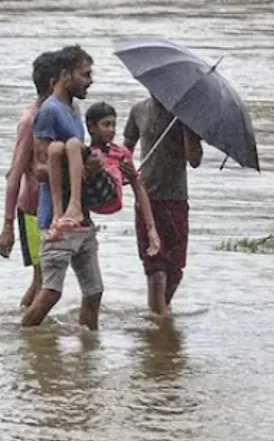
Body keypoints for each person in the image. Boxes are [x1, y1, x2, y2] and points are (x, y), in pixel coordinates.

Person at [22, 46, 105, 330]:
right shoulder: (49, 111)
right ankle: (23, 341)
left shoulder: (74, 109)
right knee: (51, 293)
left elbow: (76, 158)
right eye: (85, 74)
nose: (90, 81)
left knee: (94, 292)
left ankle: (89, 350)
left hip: (82, 216)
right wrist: (76, 170)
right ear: (65, 75)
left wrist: (90, 164)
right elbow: (40, 169)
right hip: (57, 219)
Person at [124, 95, 202, 317]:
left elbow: (195, 160)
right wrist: (123, 172)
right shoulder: (139, 110)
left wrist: (187, 127)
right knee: (154, 267)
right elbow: (126, 149)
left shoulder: (186, 116)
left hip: (176, 198)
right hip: (146, 198)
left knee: (175, 270)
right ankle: (160, 324)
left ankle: (159, 315)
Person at [0, 51, 59, 308]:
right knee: (43, 280)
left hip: (55, 207)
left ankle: (30, 326)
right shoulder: (30, 121)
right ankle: (26, 325)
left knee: (47, 278)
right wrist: (8, 226)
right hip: (33, 209)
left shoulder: (62, 114)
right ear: (55, 82)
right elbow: (14, 174)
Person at [83, 101, 161, 259]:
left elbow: (138, 188)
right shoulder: (86, 153)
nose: (111, 130)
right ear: (91, 128)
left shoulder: (121, 154)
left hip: (111, 196)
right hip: (92, 195)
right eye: (106, 125)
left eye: (114, 125)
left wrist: (151, 228)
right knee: (91, 157)